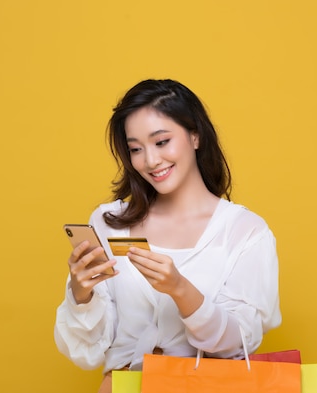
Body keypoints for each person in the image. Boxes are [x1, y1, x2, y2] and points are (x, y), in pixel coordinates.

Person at [54, 79, 281, 393]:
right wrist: (82, 295)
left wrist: (180, 290)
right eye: (136, 149)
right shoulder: (109, 223)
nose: (150, 161)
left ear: (195, 135)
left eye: (161, 142)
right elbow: (88, 350)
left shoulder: (245, 231)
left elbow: (236, 344)